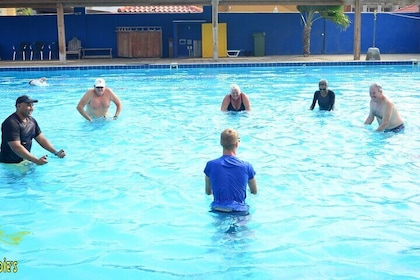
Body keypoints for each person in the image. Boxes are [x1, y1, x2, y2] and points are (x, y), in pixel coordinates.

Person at [204, 128, 257, 215]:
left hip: (217, 209)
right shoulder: (247, 166)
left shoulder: (210, 165)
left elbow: (208, 192)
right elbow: (254, 191)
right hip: (240, 210)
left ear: (221, 143)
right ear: (237, 144)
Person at [0, 95, 66, 165]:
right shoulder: (11, 123)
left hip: (24, 161)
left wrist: (56, 152)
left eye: (32, 105)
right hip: (8, 163)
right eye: (28, 105)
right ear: (18, 106)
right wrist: (36, 160)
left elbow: (42, 140)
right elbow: (16, 147)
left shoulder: (31, 121)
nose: (31, 108)